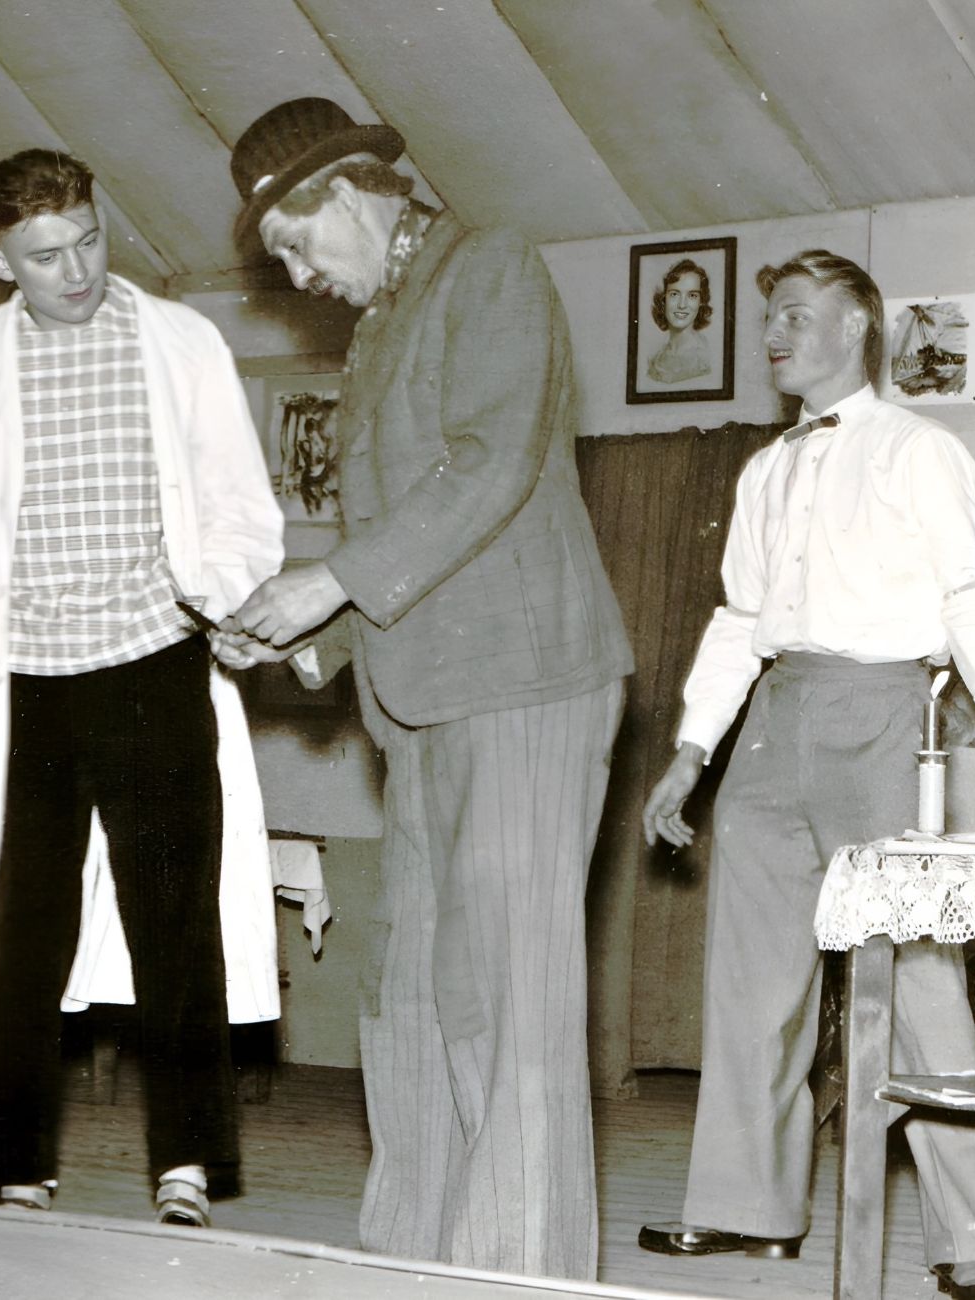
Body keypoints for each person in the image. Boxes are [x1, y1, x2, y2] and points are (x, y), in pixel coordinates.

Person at [213, 97, 634, 1281]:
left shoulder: (486, 265)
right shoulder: (382, 321)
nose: (296, 274)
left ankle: (519, 1262)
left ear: (346, 192)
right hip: (425, 694)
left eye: (296, 246)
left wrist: (326, 583)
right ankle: (412, 1252)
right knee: (410, 987)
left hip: (524, 680)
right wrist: (301, 634)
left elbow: (491, 462)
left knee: (508, 994)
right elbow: (404, 529)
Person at [0, 148, 284, 1230]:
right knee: (15, 931)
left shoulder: (181, 341)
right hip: (18, 681)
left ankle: (186, 1165)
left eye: (86, 241)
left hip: (154, 661)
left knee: (176, 923)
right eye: (44, 257)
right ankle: (12, 1168)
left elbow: (237, 500)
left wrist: (219, 597)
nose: (74, 270)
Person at [636, 250, 975, 1300]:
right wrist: (688, 753)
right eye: (770, 318)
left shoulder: (918, 451)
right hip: (772, 721)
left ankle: (968, 1237)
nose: (774, 334)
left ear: (858, 327)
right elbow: (735, 621)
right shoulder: (762, 469)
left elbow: (964, 592)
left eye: (796, 315)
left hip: (884, 716)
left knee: (918, 984)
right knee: (753, 978)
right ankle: (743, 1210)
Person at [645, 257, 713, 384]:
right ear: (663, 300)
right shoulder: (655, 359)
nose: (682, 305)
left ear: (701, 302)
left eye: (692, 295)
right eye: (674, 294)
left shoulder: (705, 358)